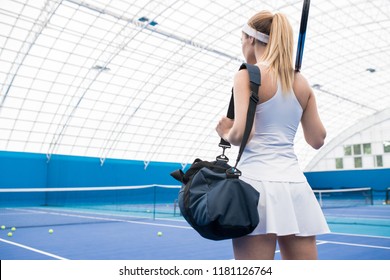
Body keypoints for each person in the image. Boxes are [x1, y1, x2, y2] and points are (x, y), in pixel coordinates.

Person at [216, 10, 330, 260]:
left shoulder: (246, 74)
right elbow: (317, 139)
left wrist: (226, 131)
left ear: (251, 40)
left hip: (254, 188)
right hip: (295, 188)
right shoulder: (301, 82)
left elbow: (244, 134)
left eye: (241, 39)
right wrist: (302, 99)